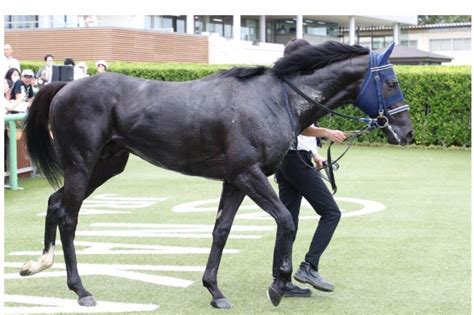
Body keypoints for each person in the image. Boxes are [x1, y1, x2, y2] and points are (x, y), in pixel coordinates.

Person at [273, 38, 347, 297]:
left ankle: (280, 281)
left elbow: (298, 128)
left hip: (286, 159)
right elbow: (298, 124)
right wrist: (327, 132)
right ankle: (309, 267)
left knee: (288, 222)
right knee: (331, 213)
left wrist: (314, 153)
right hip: (294, 160)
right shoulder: (296, 85)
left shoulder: (285, 82)